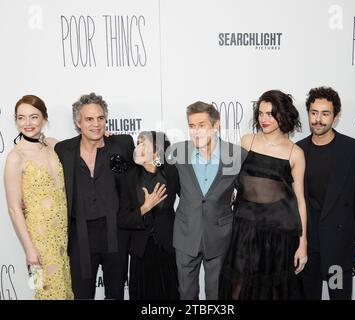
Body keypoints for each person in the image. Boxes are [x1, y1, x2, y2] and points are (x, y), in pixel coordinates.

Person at [219, 90, 308, 300]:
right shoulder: (247, 141)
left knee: (273, 291)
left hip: (278, 235)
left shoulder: (295, 153)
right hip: (244, 230)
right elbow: (231, 180)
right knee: (238, 291)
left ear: (283, 115)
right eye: (261, 113)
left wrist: (303, 245)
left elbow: (300, 202)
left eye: (270, 114)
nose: (264, 119)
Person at [54, 93, 134, 299]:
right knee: (82, 294)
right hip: (81, 237)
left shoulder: (122, 144)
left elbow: (153, 159)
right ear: (78, 122)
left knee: (116, 294)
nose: (96, 124)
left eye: (100, 118)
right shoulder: (63, 150)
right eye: (89, 119)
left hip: (115, 233)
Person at [297, 86, 355, 300]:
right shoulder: (298, 150)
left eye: (325, 113)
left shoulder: (352, 150)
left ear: (335, 116)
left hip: (339, 246)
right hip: (308, 247)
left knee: (338, 296)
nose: (318, 119)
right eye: (314, 113)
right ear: (308, 113)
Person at [170, 101, 247, 300]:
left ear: (215, 125)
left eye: (202, 125)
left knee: (218, 294)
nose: (196, 132)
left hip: (220, 235)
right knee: (186, 294)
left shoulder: (237, 155)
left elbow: (250, 193)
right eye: (192, 126)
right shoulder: (177, 152)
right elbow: (147, 161)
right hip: (186, 232)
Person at [4, 95, 73, 300]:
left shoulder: (54, 145)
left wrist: (108, 137)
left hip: (65, 235)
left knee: (66, 290)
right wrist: (29, 250)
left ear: (44, 118)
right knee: (44, 291)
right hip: (38, 239)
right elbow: (14, 208)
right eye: (21, 118)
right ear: (15, 120)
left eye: (33, 117)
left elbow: (85, 151)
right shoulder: (15, 157)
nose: (27, 123)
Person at [117, 131, 180, 299]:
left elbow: (191, 199)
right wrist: (145, 207)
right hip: (141, 251)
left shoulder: (172, 173)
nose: (138, 148)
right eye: (138, 143)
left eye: (144, 144)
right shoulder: (129, 177)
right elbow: (122, 219)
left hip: (168, 247)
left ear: (156, 151)